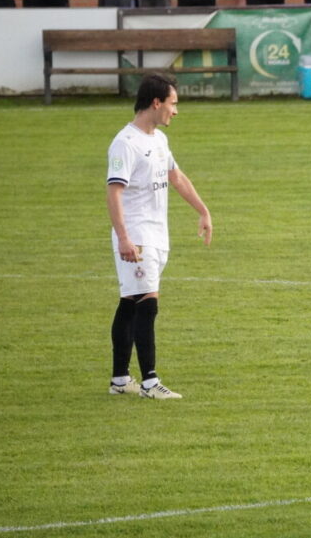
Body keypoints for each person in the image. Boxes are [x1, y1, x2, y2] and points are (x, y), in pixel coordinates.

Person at [106, 73, 212, 400]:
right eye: (173, 103)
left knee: (130, 302)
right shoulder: (126, 143)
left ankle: (121, 380)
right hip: (136, 237)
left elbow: (175, 176)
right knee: (148, 303)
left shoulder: (158, 140)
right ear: (156, 102)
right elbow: (114, 192)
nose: (175, 111)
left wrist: (203, 210)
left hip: (156, 235)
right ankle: (150, 382)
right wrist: (124, 238)